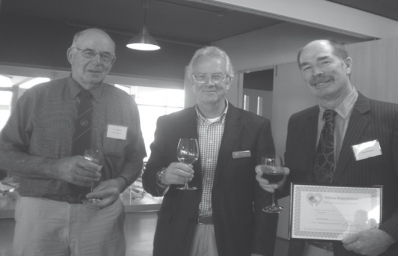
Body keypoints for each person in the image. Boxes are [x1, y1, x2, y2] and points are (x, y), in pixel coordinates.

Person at [0, 28, 146, 256]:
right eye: (88, 53)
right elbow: (5, 153)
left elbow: (136, 156)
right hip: (40, 211)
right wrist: (55, 167)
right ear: (71, 55)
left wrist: (120, 182)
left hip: (102, 214)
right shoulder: (35, 97)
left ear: (112, 61)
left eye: (105, 56)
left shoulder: (124, 103)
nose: (97, 62)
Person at [256, 39, 398, 256]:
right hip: (306, 247)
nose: (316, 72)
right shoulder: (298, 122)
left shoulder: (392, 118)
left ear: (347, 65)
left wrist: (389, 234)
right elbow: (299, 179)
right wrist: (279, 182)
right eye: (307, 67)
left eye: (324, 62)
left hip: (369, 249)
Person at [142, 46, 278, 256]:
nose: (209, 83)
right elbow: (149, 180)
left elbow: (265, 194)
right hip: (176, 234)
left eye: (217, 76)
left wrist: (261, 248)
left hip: (234, 236)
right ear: (192, 81)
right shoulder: (169, 124)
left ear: (229, 80)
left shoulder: (256, 127)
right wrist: (163, 176)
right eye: (201, 76)